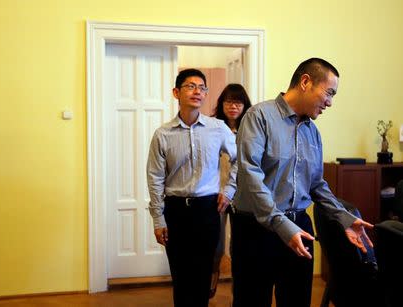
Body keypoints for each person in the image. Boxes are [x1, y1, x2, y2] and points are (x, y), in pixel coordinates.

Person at [231, 58, 374, 307]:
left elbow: (317, 185)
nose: (330, 102)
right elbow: (250, 175)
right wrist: (282, 226)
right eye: (329, 93)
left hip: (300, 227)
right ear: (306, 82)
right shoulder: (259, 116)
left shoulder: (313, 132)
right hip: (256, 230)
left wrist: (344, 218)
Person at [146, 69, 237, 306]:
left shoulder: (218, 129)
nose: (197, 91)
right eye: (190, 86)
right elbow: (155, 177)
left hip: (207, 209)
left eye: (202, 87)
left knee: (202, 274)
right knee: (181, 276)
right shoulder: (163, 134)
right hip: (175, 210)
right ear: (176, 92)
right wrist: (158, 219)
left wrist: (228, 191)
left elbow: (240, 159)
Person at [209, 83, 251, 298]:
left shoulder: (250, 129)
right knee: (215, 242)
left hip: (242, 195)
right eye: (228, 101)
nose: (233, 106)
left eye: (238, 102)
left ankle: (240, 288)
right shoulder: (212, 127)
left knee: (239, 244)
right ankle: (212, 277)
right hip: (216, 193)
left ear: (244, 105)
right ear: (221, 104)